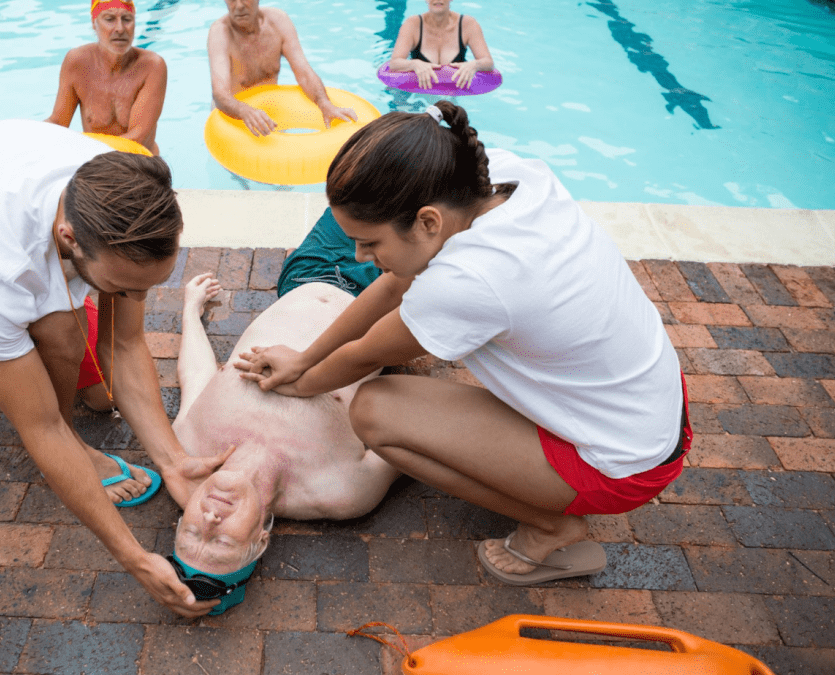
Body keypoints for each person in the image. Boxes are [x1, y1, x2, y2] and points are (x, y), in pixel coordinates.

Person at [237, 101, 692, 586]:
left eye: (370, 243)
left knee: (375, 413)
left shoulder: (471, 280)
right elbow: (397, 283)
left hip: (620, 466)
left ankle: (552, 526)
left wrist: (300, 381)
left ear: (429, 222)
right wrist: (305, 356)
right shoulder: (500, 178)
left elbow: (366, 354)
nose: (358, 255)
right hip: (651, 411)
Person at [0, 119, 228, 616]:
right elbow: (42, 426)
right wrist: (134, 557)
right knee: (61, 336)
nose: (137, 299)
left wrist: (173, 459)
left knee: (99, 395)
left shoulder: (119, 189)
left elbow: (125, 339)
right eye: (123, 287)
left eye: (149, 285)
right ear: (69, 238)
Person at [164, 213, 398, 614]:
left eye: (190, 530)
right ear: (260, 540)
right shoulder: (340, 492)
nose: (210, 518)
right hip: (389, 296)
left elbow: (196, 374)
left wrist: (190, 309)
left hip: (308, 274)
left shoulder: (188, 447)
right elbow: (416, 437)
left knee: (374, 174)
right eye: (221, 542)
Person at [207, 0, 357, 137]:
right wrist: (245, 111)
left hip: (271, 113)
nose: (239, 6)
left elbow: (304, 72)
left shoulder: (278, 22)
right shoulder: (220, 34)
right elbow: (220, 94)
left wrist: (324, 103)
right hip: (234, 118)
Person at [46, 0, 167, 155]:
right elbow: (58, 123)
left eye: (127, 19)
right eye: (109, 19)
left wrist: (78, 147)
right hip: (98, 165)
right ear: (94, 23)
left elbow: (137, 138)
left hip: (140, 166)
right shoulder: (77, 62)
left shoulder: (152, 66)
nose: (120, 28)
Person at [388, 0, 494, 91]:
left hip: (453, 91)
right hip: (416, 90)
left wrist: (475, 65)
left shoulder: (467, 24)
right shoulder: (412, 24)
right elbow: (394, 63)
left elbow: (488, 62)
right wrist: (414, 64)